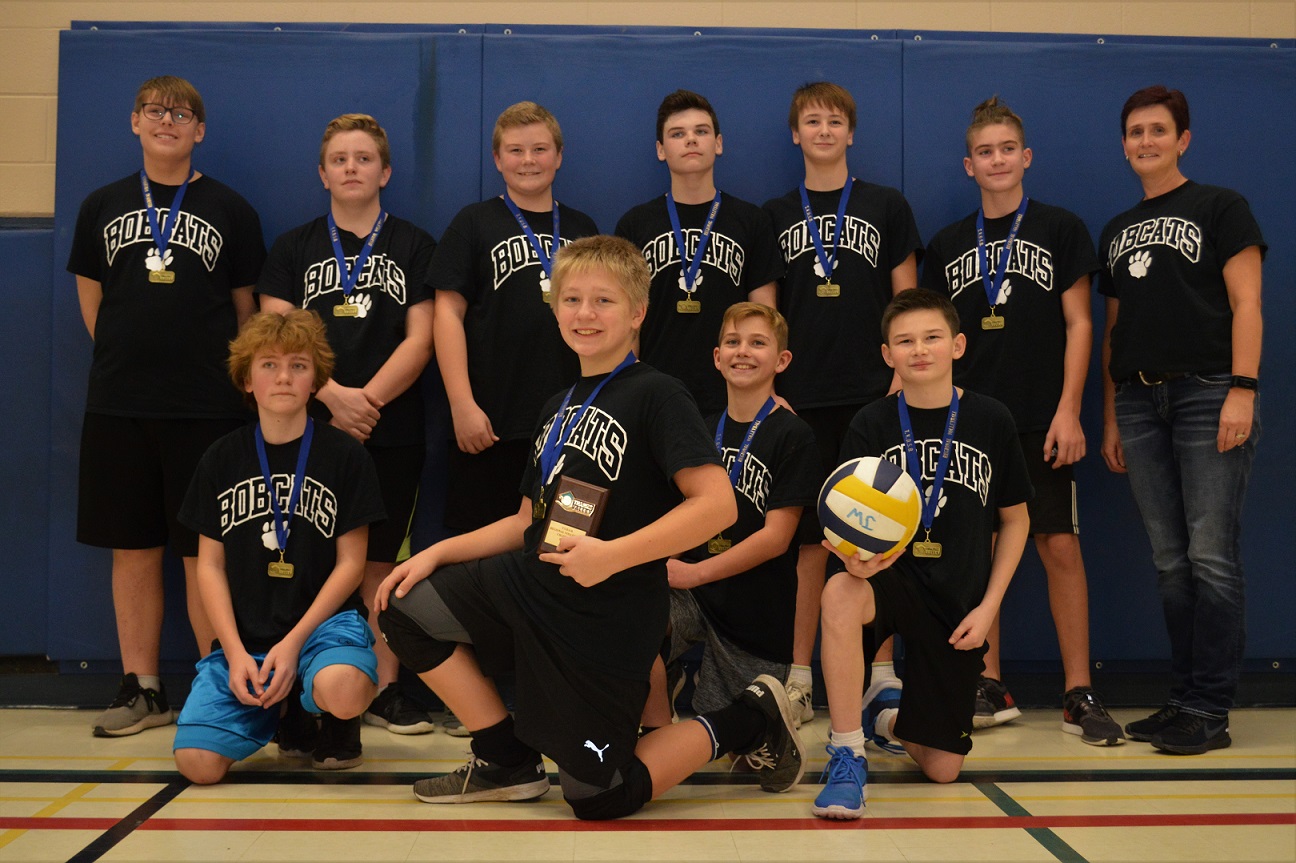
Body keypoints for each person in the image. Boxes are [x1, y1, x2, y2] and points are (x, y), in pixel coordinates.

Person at [374, 236, 806, 820]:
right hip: (533, 584)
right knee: (402, 606)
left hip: (607, 617)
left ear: (637, 312)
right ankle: (505, 761)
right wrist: (433, 554)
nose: (584, 313)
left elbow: (717, 506)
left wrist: (613, 555)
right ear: (554, 310)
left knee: (599, 798)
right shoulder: (558, 404)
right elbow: (527, 522)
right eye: (572, 299)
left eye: (604, 300)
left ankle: (750, 715)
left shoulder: (659, 394)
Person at [67, 75, 266, 737]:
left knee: (202, 550)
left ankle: (217, 681)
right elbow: (93, 300)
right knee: (133, 547)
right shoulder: (101, 205)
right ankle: (142, 686)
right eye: (154, 110)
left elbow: (244, 312)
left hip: (208, 407)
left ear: (198, 130)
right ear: (134, 122)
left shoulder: (231, 209)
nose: (167, 120)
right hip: (120, 404)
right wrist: (132, 361)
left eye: (180, 113)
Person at [921, 97, 1122, 744]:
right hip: (969, 423)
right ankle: (987, 681)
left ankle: (1076, 689)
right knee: (977, 555)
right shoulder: (949, 243)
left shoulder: (1061, 230)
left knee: (1057, 544)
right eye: (986, 151)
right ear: (969, 165)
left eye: (1008, 148)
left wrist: (1071, 409)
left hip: (1042, 417)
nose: (998, 159)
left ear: (1025, 157)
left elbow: (1080, 323)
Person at [813, 288, 1031, 820]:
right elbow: (847, 520)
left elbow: (1016, 519)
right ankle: (846, 753)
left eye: (932, 337)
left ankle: (884, 717)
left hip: (958, 602)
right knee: (841, 591)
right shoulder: (871, 422)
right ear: (887, 355)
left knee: (942, 768)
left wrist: (988, 608)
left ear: (957, 345)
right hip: (891, 578)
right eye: (904, 341)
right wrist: (854, 560)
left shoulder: (992, 418)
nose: (920, 350)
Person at [257, 114, 438, 736]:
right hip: (310, 427)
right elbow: (271, 333)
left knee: (383, 563)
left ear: (385, 172)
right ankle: (301, 683)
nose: (352, 167)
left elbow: (422, 340)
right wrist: (333, 398)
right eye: (340, 158)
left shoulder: (415, 245)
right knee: (309, 552)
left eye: (365, 158)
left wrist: (369, 404)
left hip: (392, 426)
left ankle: (385, 686)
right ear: (322, 173)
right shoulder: (293, 247)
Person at [1099, 85, 1264, 755]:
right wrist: (1112, 414)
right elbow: (1114, 333)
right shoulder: (1115, 230)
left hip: (1207, 392)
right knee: (1170, 560)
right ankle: (1182, 697)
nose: (1146, 141)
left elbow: (1247, 302)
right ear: (1124, 143)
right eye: (1135, 131)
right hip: (1138, 401)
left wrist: (1243, 389)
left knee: (1210, 555)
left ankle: (1210, 708)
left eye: (1158, 130)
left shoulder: (1221, 205)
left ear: (1183, 138)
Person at [763, 82, 922, 723]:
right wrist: (772, 381)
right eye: (811, 121)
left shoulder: (885, 205)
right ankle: (800, 676)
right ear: (795, 134)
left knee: (878, 537)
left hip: (872, 397)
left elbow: (905, 300)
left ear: (850, 133)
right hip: (799, 403)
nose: (823, 130)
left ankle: (880, 672)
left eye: (834, 121)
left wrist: (899, 378)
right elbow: (765, 303)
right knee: (807, 545)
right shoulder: (775, 213)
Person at [172, 309, 385, 783]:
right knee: (197, 765)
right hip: (246, 636)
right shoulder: (221, 457)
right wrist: (232, 651)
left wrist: (291, 646)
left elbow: (352, 564)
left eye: (298, 365)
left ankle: (334, 721)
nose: (284, 377)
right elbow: (208, 566)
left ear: (317, 380)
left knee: (345, 688)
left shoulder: (346, 456)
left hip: (323, 630)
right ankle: (282, 711)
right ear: (247, 379)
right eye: (268, 365)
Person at [641, 303, 819, 730]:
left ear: (781, 360)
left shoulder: (794, 434)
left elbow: (777, 538)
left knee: (741, 733)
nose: (743, 351)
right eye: (733, 342)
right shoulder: (698, 428)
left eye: (758, 343)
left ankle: (707, 684)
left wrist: (694, 574)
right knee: (633, 617)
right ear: (717, 357)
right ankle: (662, 686)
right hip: (694, 596)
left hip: (756, 608)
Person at [430, 101, 599, 539]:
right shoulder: (473, 223)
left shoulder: (584, 229)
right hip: (489, 425)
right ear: (497, 160)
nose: (528, 160)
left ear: (558, 157)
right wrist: (461, 404)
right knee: (481, 549)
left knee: (565, 544)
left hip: (573, 426)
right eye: (516, 150)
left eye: (540, 149)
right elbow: (447, 312)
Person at [615, 89, 782, 415]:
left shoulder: (751, 220)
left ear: (718, 144)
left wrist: (767, 394)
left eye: (701, 132)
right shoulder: (635, 225)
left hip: (735, 395)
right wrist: (626, 394)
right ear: (661, 150)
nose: (691, 140)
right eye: (678, 134)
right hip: (654, 393)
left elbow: (766, 316)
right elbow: (626, 322)